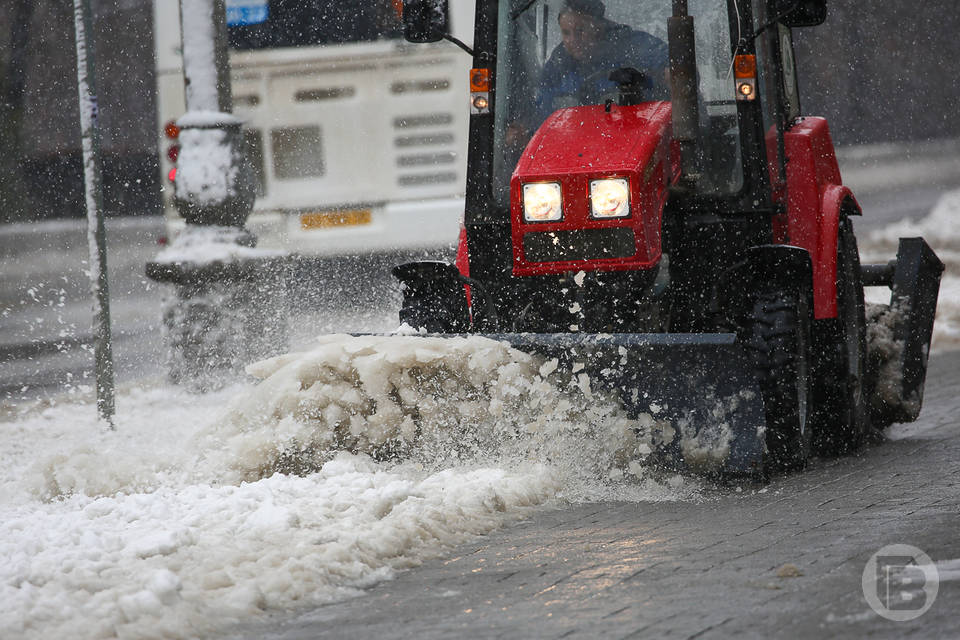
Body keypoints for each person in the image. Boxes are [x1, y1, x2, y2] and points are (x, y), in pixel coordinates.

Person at [535, 0, 669, 121]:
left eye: (580, 31)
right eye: (566, 32)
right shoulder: (558, 65)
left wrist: (669, 71)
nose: (572, 40)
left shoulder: (630, 46)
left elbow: (673, 63)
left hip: (636, 133)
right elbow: (541, 113)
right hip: (576, 141)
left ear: (599, 27)